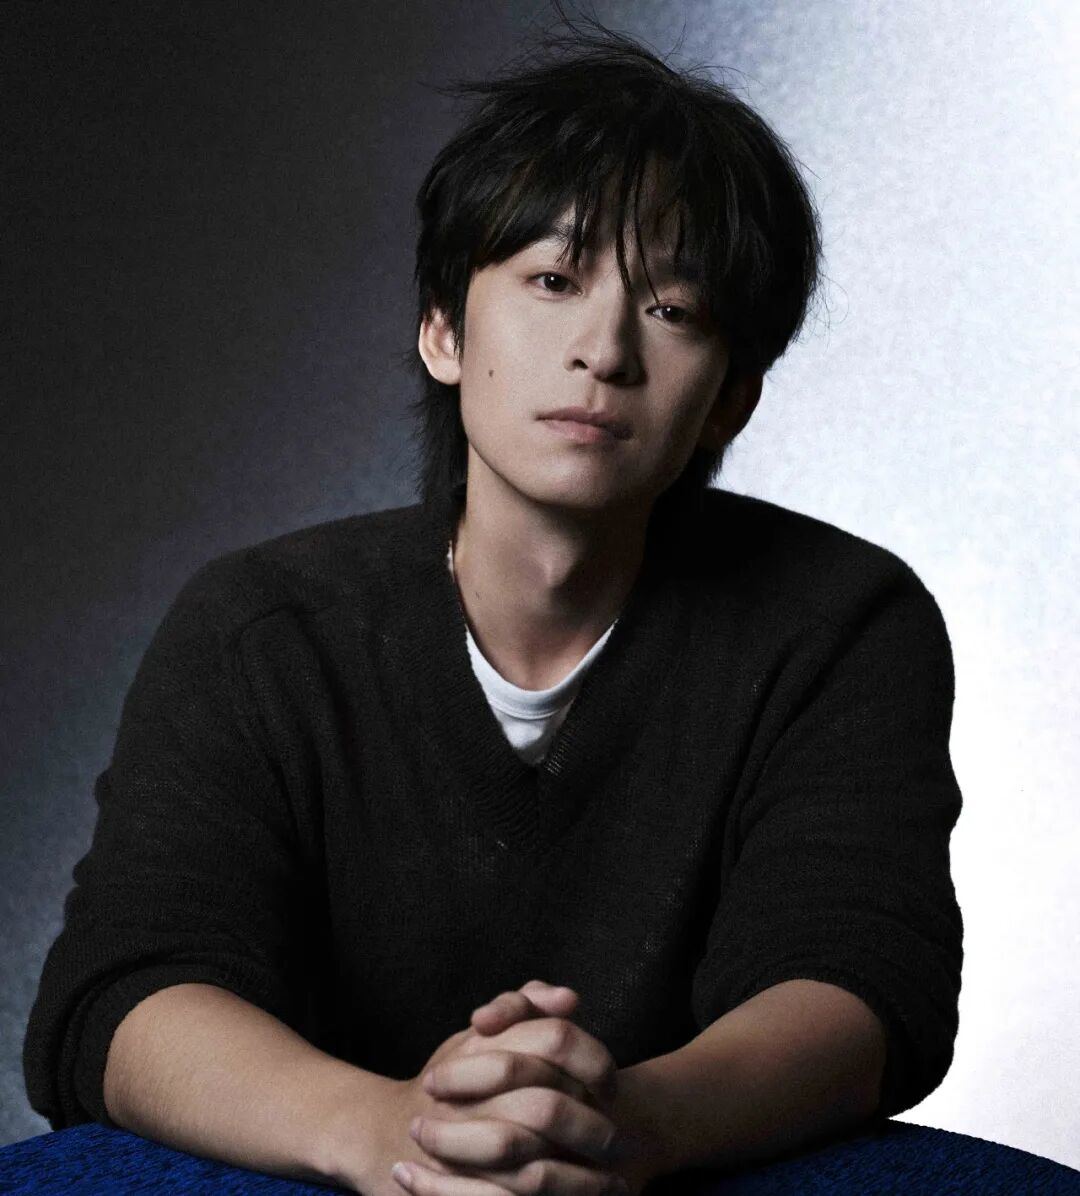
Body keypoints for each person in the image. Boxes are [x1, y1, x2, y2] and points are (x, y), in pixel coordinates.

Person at [22, 8, 964, 1196]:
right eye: (554, 279)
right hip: (319, 1164)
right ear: (442, 330)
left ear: (732, 396)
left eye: (673, 310)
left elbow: (863, 975)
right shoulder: (261, 627)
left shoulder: (840, 621)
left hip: (685, 1162)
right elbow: (122, 993)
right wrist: (390, 1128)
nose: (605, 348)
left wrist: (632, 1121)